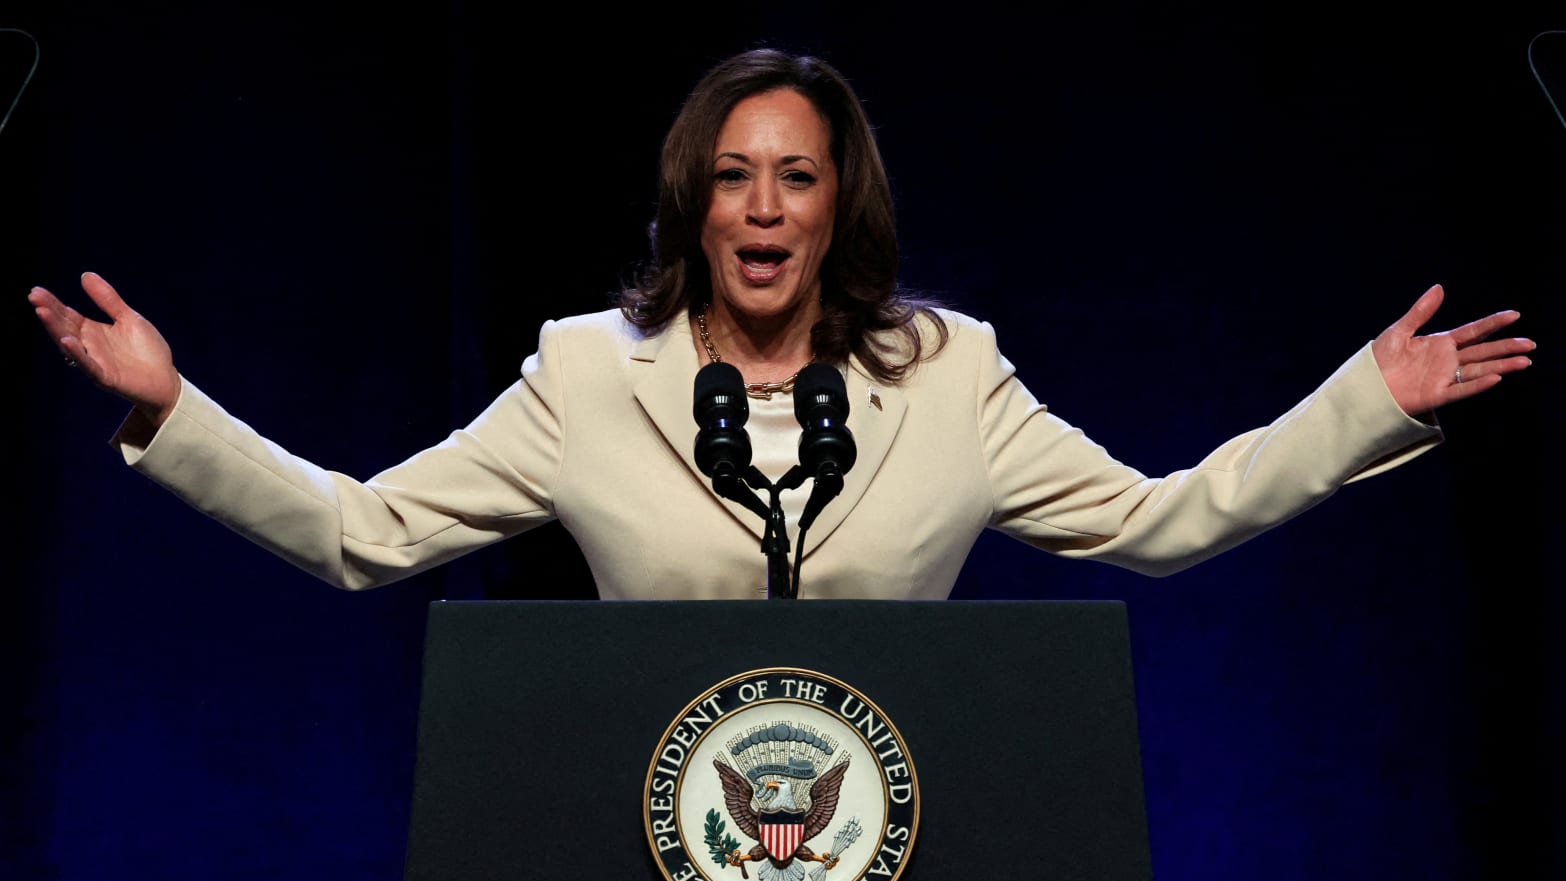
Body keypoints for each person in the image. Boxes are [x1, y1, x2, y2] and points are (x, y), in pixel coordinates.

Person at [26, 48, 1535, 601]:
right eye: (731, 177)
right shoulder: (582, 374)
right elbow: (362, 533)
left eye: (793, 177)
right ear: (693, 205)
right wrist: (175, 406)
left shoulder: (950, 373)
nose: (760, 207)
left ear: (834, 208)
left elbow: (1159, 521)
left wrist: (1365, 402)